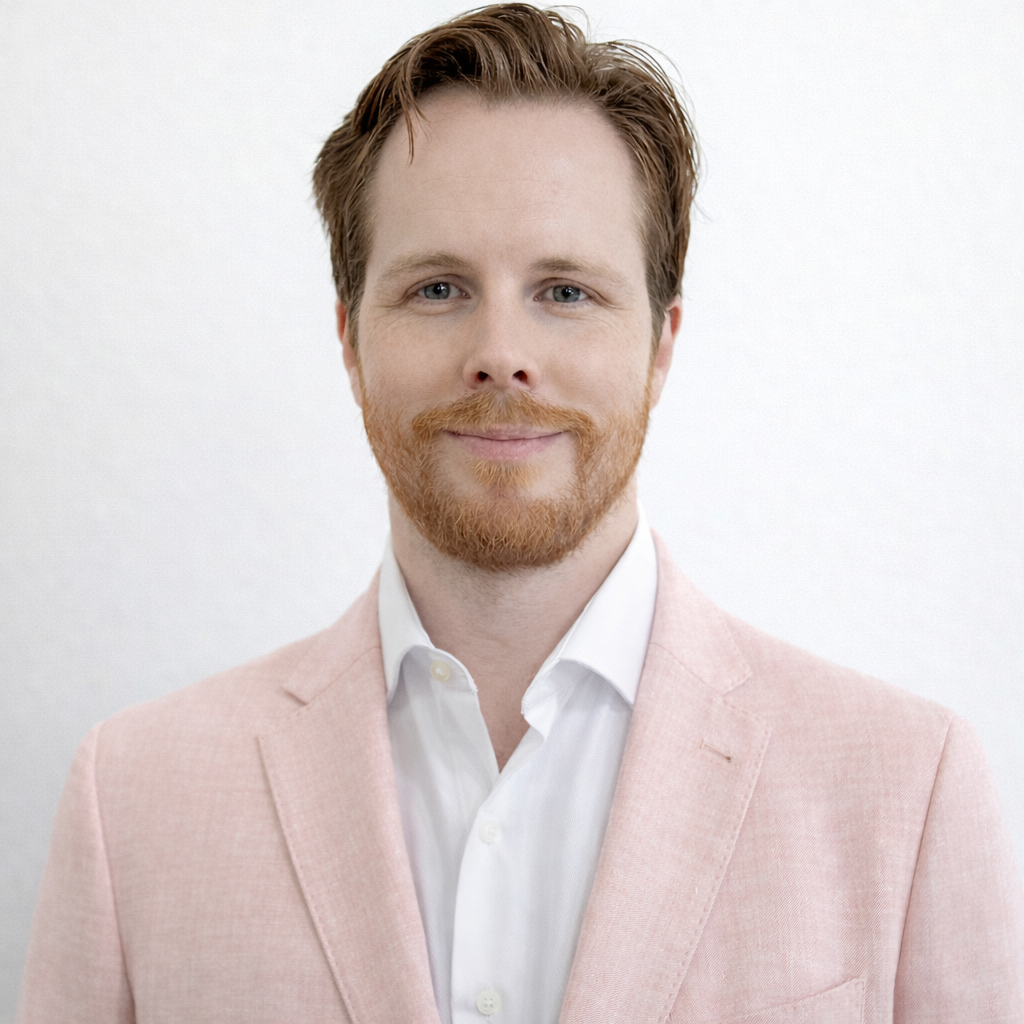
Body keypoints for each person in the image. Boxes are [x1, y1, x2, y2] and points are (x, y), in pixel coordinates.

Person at [16, 4, 1024, 1022]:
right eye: (439, 286)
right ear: (349, 337)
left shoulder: (908, 790)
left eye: (566, 290)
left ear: (661, 342)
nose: (500, 351)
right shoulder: (132, 800)